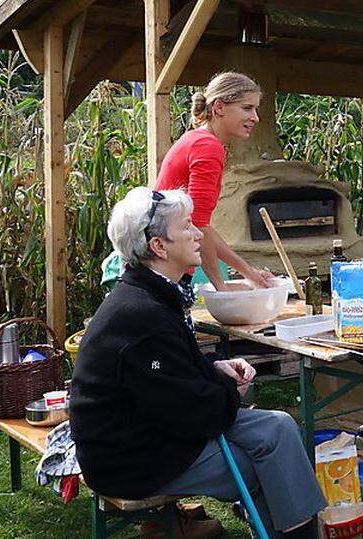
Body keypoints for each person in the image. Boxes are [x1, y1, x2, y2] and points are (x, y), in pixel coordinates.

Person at [71, 187, 325, 539]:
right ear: (159, 246)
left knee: (279, 426)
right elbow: (195, 414)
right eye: (187, 227)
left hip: (157, 427)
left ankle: (299, 533)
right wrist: (227, 388)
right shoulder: (141, 315)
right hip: (131, 457)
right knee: (265, 466)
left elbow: (175, 374)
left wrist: (215, 370)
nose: (198, 234)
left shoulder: (155, 294)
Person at [155, 71, 274, 291]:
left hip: (162, 262)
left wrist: (249, 273)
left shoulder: (196, 139)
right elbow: (198, 224)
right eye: (247, 108)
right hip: (166, 267)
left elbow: (201, 227)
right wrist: (221, 286)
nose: (255, 117)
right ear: (219, 107)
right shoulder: (207, 146)